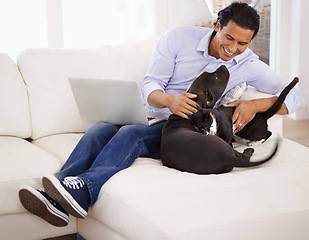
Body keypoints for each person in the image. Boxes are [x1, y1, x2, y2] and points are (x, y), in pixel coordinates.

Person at [19, 2, 305, 227]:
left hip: (184, 131)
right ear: (218, 25)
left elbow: (296, 97)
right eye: (228, 38)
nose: (233, 49)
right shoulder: (179, 37)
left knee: (131, 135)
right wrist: (168, 100)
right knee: (99, 129)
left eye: (242, 43)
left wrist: (256, 105)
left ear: (250, 41)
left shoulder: (248, 63)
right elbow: (151, 85)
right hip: (154, 113)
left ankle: (82, 190)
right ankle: (55, 193)